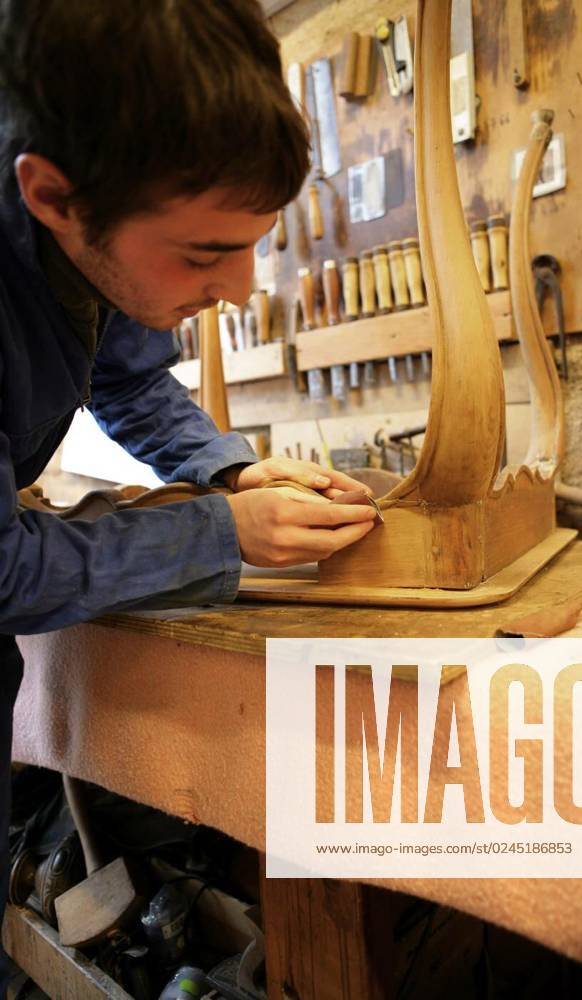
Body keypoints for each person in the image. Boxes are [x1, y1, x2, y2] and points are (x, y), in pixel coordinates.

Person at [0, 0, 376, 987]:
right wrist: (224, 533)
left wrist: (229, 468)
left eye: (254, 243)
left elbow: (123, 373)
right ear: (51, 196)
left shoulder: (92, 216)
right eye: (207, 254)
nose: (244, 288)